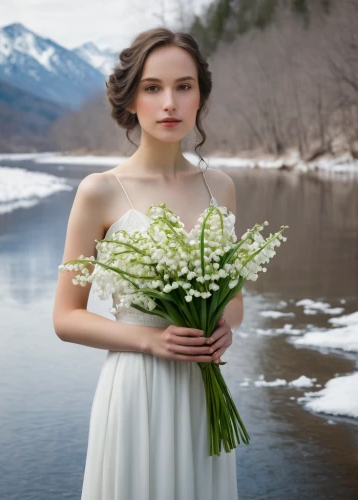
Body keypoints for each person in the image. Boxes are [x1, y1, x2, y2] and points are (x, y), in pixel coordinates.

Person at [53, 27, 243, 500]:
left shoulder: (220, 187)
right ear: (131, 100)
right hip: (137, 387)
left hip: (203, 387)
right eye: (152, 88)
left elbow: (235, 298)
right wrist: (151, 340)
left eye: (184, 86)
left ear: (200, 95)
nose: (170, 104)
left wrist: (224, 325)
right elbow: (65, 317)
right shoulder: (99, 191)